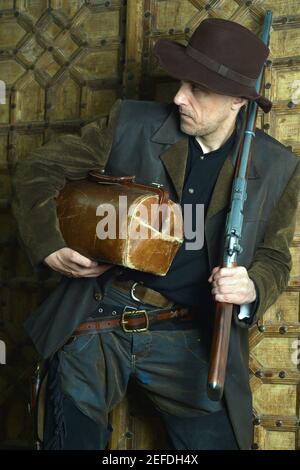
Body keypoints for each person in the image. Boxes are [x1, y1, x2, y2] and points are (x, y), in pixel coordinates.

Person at [11, 18, 300, 450]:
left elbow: (275, 257)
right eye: (182, 82)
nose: (179, 97)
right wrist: (49, 243)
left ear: (239, 100)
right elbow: (39, 170)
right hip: (99, 314)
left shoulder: (279, 167)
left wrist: (251, 285)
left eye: (198, 89)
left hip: (188, 332)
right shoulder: (131, 122)